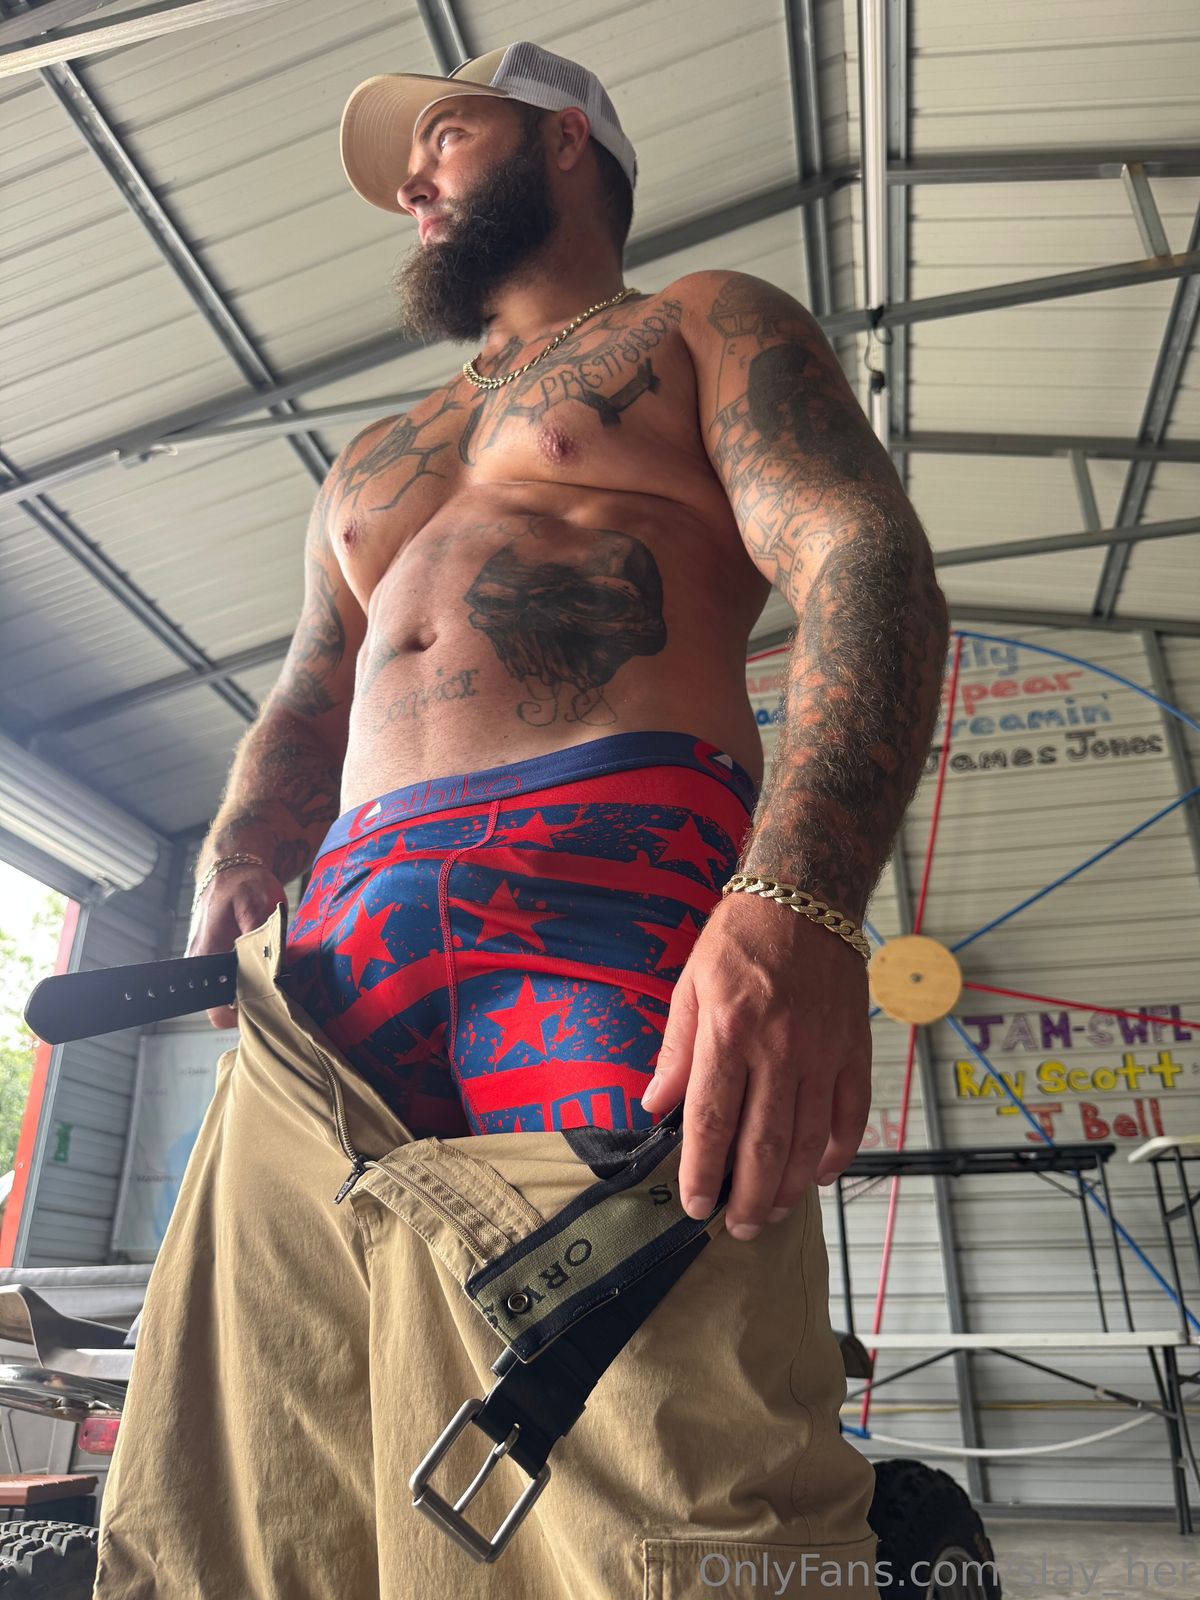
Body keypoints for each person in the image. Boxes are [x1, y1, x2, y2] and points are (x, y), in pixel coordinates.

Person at [94, 40, 949, 1600]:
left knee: (664, 1462)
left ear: (565, 140)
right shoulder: (372, 457)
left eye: (444, 137)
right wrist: (243, 845)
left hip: (608, 878)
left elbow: (859, 554)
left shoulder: (703, 323)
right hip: (333, 955)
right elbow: (309, 689)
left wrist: (804, 899)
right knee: (261, 1461)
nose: (412, 186)